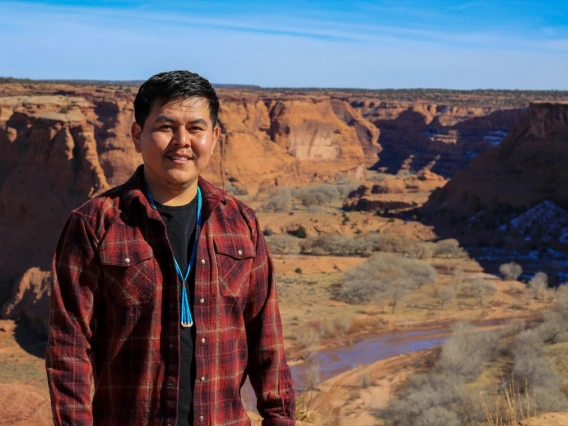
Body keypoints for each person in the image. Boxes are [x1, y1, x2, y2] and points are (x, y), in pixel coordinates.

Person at [45, 70, 296, 426]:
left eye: (195, 128)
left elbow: (266, 339)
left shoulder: (241, 224)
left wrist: (280, 418)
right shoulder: (94, 224)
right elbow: (68, 348)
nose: (182, 141)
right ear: (137, 135)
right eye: (165, 127)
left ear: (214, 136)